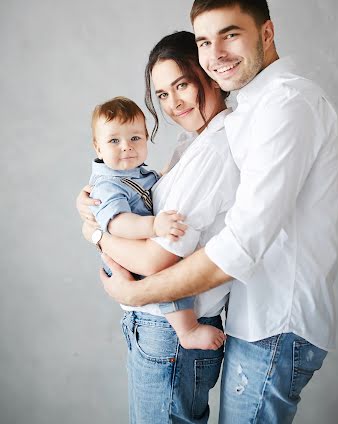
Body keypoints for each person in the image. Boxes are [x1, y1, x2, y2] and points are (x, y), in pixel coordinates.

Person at [92, 0, 338, 423]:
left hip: (276, 320)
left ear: (266, 33)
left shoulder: (285, 104)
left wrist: (130, 287)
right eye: (207, 41)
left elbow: (238, 245)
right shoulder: (245, 111)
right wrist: (100, 213)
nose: (218, 53)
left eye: (231, 34)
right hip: (253, 316)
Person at [78, 31, 240, 423]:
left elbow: (155, 259)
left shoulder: (215, 149)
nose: (173, 103)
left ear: (210, 75)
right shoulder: (191, 144)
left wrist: (97, 234)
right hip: (156, 327)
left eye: (181, 84)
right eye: (162, 94)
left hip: (170, 330)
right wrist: (91, 207)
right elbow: (142, 198)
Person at [88, 95, 225, 350]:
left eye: (135, 138)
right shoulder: (108, 185)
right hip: (130, 258)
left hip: (138, 251)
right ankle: (188, 330)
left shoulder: (138, 173)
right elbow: (117, 223)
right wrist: (154, 226)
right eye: (114, 141)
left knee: (172, 274)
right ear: (98, 148)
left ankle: (187, 328)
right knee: (169, 281)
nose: (126, 146)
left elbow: (157, 186)